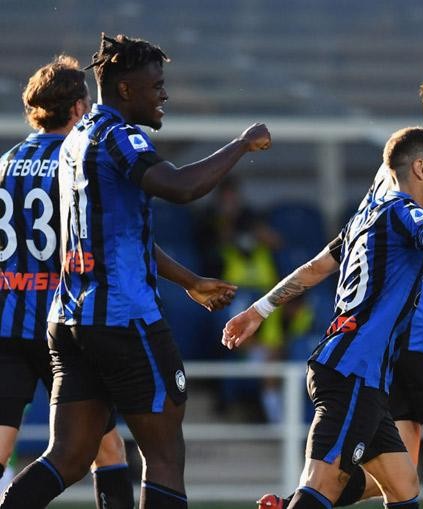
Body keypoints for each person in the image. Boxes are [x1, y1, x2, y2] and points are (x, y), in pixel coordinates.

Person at [0, 33, 271, 509]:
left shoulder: (73, 140)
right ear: (125, 89)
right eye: (156, 85)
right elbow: (181, 187)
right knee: (164, 456)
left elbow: (115, 234)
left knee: (69, 455)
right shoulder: (117, 136)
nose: (164, 94)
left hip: (66, 318)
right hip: (123, 318)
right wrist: (241, 145)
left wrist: (190, 281)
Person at [223, 127, 423, 509]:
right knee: (322, 484)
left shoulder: (365, 216)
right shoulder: (404, 212)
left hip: (354, 369)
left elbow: (316, 267)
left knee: (403, 485)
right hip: (354, 370)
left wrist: (260, 309)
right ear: (419, 169)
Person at [255, 64, 423, 509]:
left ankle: (295, 501)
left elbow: (336, 253)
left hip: (388, 345)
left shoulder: (388, 177)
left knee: (396, 473)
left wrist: (261, 308)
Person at [0, 55, 134, 509]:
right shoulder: (76, 162)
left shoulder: (5, 163)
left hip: (6, 324)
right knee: (106, 450)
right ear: (78, 108)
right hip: (62, 327)